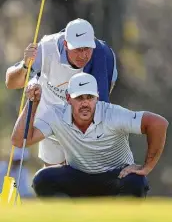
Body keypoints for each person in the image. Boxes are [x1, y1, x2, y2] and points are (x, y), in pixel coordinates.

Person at [11, 73, 168, 198]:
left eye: (89, 97)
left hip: (116, 177)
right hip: (79, 177)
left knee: (137, 182)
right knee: (42, 179)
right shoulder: (56, 115)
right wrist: (32, 103)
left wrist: (146, 167)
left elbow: (158, 123)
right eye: (79, 98)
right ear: (68, 98)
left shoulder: (113, 114)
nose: (85, 103)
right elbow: (20, 141)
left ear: (97, 97)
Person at [6, 18, 117, 167]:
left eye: (87, 48)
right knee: (51, 177)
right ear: (65, 44)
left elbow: (102, 106)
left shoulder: (103, 57)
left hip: (81, 125)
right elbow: (11, 83)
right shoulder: (46, 48)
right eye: (78, 49)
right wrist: (26, 66)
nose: (83, 55)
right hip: (50, 114)